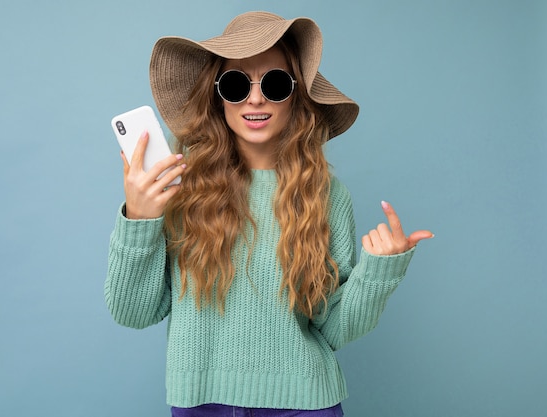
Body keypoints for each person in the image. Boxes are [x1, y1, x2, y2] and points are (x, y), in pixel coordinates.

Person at [105, 11, 433, 417]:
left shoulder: (327, 196)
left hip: (305, 405)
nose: (255, 99)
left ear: (296, 96)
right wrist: (139, 219)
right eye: (236, 84)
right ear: (217, 95)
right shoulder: (176, 188)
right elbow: (133, 313)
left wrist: (378, 273)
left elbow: (332, 329)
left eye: (275, 84)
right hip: (201, 404)